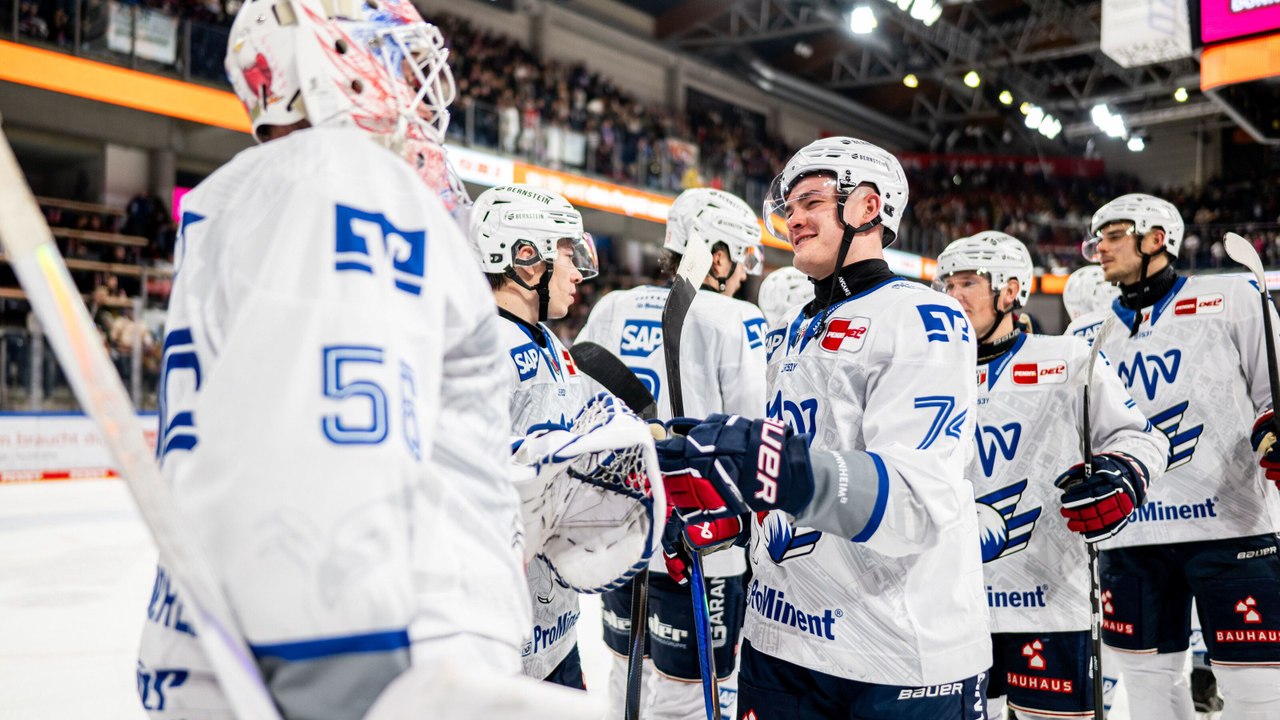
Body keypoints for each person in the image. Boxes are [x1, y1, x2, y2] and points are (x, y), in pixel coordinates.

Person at [134, 1, 592, 717]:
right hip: (387, 651)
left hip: (232, 639)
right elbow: (326, 451)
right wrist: (346, 679)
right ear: (325, 62)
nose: (416, 84)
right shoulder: (345, 178)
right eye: (391, 56)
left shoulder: (240, 193)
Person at [655, 136, 991, 719]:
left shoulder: (922, 315)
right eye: (788, 206)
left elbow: (912, 505)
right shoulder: (795, 329)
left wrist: (774, 467)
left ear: (866, 207)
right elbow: (774, 483)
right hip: (781, 638)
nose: (793, 218)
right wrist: (714, 495)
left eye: (809, 200)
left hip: (892, 652)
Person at [935, 231, 1167, 720]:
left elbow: (1145, 438)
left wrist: (1123, 473)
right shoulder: (922, 370)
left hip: (1047, 598)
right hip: (946, 604)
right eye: (947, 285)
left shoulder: (1067, 360)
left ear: (1010, 291)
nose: (952, 297)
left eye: (967, 284)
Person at [1065, 193, 1280, 720]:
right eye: (1097, 240)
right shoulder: (1084, 334)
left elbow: (1272, 394)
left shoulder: (1232, 295)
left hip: (1232, 526)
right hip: (1132, 533)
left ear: (1156, 238)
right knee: (1148, 686)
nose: (1100, 249)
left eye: (1113, 236)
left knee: (1257, 690)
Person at [577, 187, 768, 720]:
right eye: (744, 257)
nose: (745, 272)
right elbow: (754, 431)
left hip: (622, 530)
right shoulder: (737, 318)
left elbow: (580, 401)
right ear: (720, 254)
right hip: (704, 542)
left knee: (624, 671)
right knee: (686, 696)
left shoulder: (612, 306)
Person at [469, 183, 599, 687]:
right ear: (525, 258)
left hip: (555, 626)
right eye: (567, 254)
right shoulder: (479, 346)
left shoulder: (549, 340)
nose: (578, 272)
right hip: (503, 637)